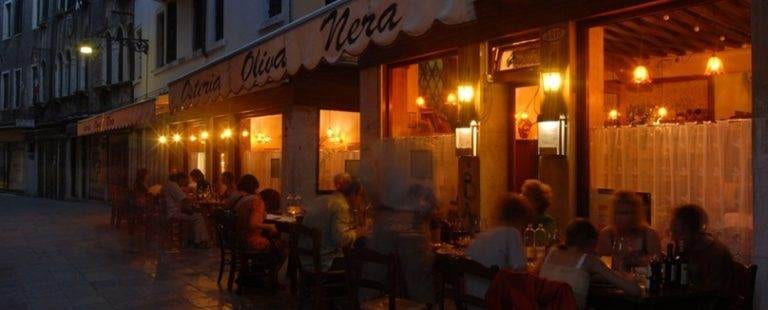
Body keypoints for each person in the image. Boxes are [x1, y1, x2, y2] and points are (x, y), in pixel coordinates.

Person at [539, 219, 641, 309]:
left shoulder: (550, 252)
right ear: (591, 243)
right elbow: (634, 290)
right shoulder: (588, 260)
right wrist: (623, 268)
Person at [366, 184, 438, 303]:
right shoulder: (410, 229)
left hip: (373, 295)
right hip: (392, 297)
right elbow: (419, 266)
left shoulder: (397, 221)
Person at [465, 193, 532, 299]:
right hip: (495, 302)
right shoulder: (511, 233)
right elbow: (520, 274)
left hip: (472, 301)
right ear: (520, 217)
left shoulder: (482, 236)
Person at [301, 174, 361, 271]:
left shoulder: (319, 200)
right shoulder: (342, 206)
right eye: (360, 195)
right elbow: (340, 240)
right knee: (361, 262)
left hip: (305, 260)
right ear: (353, 194)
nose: (360, 199)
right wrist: (358, 233)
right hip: (324, 263)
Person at [670, 204, 734, 293]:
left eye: (678, 233)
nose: (673, 238)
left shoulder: (716, 254)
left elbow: (713, 294)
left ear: (693, 230)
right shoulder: (685, 247)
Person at [596, 191, 661, 270]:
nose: (624, 217)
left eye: (629, 213)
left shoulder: (650, 234)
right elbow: (600, 263)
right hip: (613, 279)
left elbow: (656, 261)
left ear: (636, 214)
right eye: (620, 213)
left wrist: (633, 261)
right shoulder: (607, 234)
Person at [233, 175, 279, 253]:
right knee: (282, 247)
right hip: (250, 241)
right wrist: (270, 226)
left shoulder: (241, 199)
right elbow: (253, 224)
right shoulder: (256, 201)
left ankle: (257, 264)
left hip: (237, 240)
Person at [162, 172, 210, 247]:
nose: (186, 182)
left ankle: (193, 239)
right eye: (185, 180)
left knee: (194, 215)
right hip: (174, 214)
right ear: (181, 179)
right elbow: (184, 199)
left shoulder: (168, 185)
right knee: (198, 217)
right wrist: (192, 200)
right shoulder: (173, 186)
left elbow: (182, 200)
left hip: (171, 212)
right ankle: (199, 242)